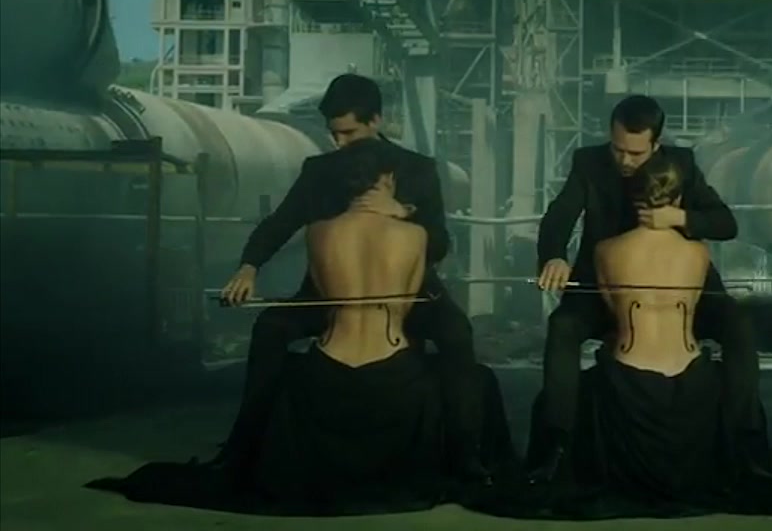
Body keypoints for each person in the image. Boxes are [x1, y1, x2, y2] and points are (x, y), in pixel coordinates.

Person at [86, 139, 514, 514]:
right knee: (466, 375)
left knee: (288, 353)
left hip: (328, 364)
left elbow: (325, 298)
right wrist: (403, 220)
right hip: (391, 365)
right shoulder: (415, 236)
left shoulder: (318, 232)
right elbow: (401, 309)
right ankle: (467, 457)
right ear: (386, 180)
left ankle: (243, 451)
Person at [470, 158, 772, 519]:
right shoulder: (698, 253)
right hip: (691, 377)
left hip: (627, 380)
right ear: (678, 198)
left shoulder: (606, 251)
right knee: (723, 379)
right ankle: (749, 457)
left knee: (579, 387)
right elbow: (693, 308)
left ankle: (551, 458)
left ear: (634, 197)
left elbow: (614, 313)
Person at [214, 74, 491, 483]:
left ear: (376, 120)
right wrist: (249, 266)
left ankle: (466, 454)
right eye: (334, 134)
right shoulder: (319, 170)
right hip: (330, 291)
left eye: (349, 133)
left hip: (407, 290)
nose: (340, 143)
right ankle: (244, 446)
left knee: (457, 334)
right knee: (270, 328)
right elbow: (281, 221)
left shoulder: (418, 169)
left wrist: (402, 212)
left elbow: (438, 243)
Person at [528, 95, 772, 486]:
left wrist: (680, 216)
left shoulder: (682, 163)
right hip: (606, 286)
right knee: (562, 328)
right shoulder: (589, 162)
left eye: (635, 153)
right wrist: (554, 256)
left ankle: (747, 447)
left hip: (677, 290)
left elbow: (725, 224)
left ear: (656, 144)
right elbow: (559, 216)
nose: (624, 160)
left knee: (738, 325)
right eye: (617, 149)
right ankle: (556, 447)